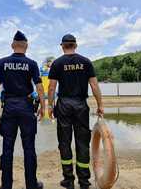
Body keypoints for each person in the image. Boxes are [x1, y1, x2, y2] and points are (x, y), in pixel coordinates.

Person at [0, 30, 45, 189]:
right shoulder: (32, 64)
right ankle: (31, 185)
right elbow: (39, 87)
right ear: (26, 46)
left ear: (13, 45)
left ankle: (6, 186)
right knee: (29, 148)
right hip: (27, 108)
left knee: (7, 148)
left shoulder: (2, 62)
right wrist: (43, 107)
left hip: (10, 107)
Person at [48, 34, 104, 189]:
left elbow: (52, 87)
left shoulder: (57, 63)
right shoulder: (85, 62)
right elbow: (94, 85)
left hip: (64, 104)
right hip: (80, 105)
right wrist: (100, 105)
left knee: (64, 142)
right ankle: (84, 181)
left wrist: (50, 106)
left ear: (62, 46)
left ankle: (68, 180)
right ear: (75, 45)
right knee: (82, 142)